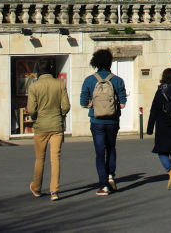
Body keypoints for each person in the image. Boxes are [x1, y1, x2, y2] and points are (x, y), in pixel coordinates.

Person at [80, 48, 127, 196]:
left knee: (99, 151)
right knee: (111, 147)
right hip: (112, 120)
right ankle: (110, 175)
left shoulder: (89, 80)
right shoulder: (118, 80)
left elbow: (83, 102)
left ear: (95, 62)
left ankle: (103, 185)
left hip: (96, 120)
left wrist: (93, 104)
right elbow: (122, 104)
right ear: (110, 62)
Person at [27, 57, 70, 201]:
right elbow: (66, 106)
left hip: (41, 125)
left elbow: (32, 109)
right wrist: (60, 114)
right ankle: (54, 190)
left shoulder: (34, 86)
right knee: (55, 158)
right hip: (56, 124)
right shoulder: (60, 84)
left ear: (38, 70)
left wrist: (36, 116)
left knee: (40, 159)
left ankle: (37, 188)